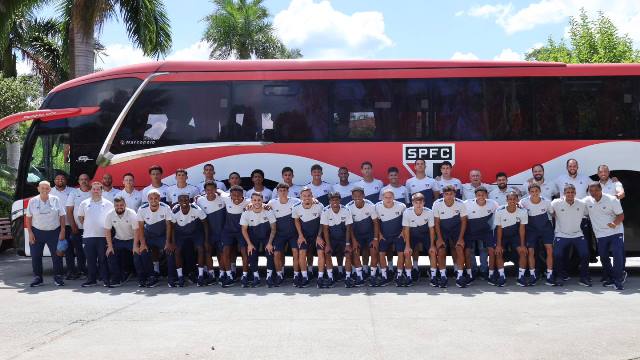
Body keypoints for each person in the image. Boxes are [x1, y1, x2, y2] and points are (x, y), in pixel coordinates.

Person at [584, 182, 625, 290]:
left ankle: (618, 280)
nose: (594, 193)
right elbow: (574, 202)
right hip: (600, 234)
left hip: (616, 231)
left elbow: (621, 215)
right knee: (603, 257)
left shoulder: (612, 199)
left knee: (617, 254)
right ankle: (611, 277)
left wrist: (614, 223)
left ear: (601, 189)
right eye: (591, 191)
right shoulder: (587, 201)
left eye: (596, 190)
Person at [25, 181, 66, 287]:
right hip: (37, 232)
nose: (44, 190)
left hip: (54, 232)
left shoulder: (55, 199)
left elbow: (62, 215)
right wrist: (30, 232)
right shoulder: (33, 201)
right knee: (36, 256)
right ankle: (38, 278)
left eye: (47, 188)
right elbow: (28, 217)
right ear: (38, 189)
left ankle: (58, 277)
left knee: (57, 256)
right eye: (42, 188)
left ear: (50, 189)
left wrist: (62, 231)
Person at [550, 184, 591, 286]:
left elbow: (589, 212)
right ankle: (560, 276)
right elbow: (550, 211)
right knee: (557, 255)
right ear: (563, 194)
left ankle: (584, 277)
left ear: (575, 193)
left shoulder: (581, 204)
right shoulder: (556, 203)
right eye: (568, 192)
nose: (570, 194)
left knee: (585, 254)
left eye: (572, 192)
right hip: (561, 234)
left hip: (577, 234)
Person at [77, 182, 114, 287]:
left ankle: (106, 279)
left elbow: (111, 219)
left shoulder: (108, 204)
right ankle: (91, 280)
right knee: (90, 259)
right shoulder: (84, 203)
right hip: (88, 236)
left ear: (102, 191)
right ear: (91, 190)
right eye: (94, 189)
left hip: (103, 236)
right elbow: (80, 217)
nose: (95, 191)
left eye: (98, 189)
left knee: (103, 259)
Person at [519, 183, 555, 286]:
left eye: (536, 191)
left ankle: (550, 274)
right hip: (531, 229)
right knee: (531, 251)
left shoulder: (547, 202)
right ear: (529, 192)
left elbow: (553, 214)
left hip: (545, 228)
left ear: (540, 191)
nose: (534, 193)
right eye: (532, 191)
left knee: (549, 250)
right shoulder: (523, 202)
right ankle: (532, 275)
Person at [136, 189, 173, 287]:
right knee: (143, 252)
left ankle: (172, 277)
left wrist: (168, 241)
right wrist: (143, 243)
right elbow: (140, 227)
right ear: (147, 199)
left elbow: (169, 225)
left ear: (159, 198)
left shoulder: (166, 207)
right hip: (149, 236)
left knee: (169, 251)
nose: (153, 200)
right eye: (151, 198)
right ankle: (152, 276)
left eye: (156, 198)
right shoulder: (142, 209)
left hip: (162, 236)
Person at [433, 185, 467, 288]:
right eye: (446, 194)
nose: (448, 196)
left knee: (459, 249)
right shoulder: (437, 204)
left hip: (457, 229)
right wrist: (439, 238)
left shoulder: (461, 204)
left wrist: (461, 238)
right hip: (442, 229)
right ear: (443, 195)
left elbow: (464, 221)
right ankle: (443, 276)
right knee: (441, 250)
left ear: (455, 194)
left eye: (451, 194)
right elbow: (437, 222)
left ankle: (459, 276)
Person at [170, 194, 208, 287]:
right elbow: (172, 227)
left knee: (201, 249)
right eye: (181, 200)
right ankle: (180, 277)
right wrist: (173, 242)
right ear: (178, 202)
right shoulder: (175, 212)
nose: (184, 201)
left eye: (186, 199)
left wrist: (206, 240)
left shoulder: (196, 209)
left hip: (195, 232)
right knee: (177, 251)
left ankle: (200, 276)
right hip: (181, 233)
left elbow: (205, 222)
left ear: (189, 201)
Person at [240, 192, 276, 288]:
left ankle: (269, 277)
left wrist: (269, 243)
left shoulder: (268, 209)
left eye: (259, 200)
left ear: (262, 200)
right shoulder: (246, 211)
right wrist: (249, 244)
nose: (257, 202)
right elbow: (243, 229)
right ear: (251, 201)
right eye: (254, 200)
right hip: (253, 235)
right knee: (251, 253)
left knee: (270, 252)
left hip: (266, 235)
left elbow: (273, 228)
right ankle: (256, 277)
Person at [492, 192, 528, 287]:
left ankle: (521, 277)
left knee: (522, 251)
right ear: (506, 200)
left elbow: (522, 229)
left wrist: (523, 245)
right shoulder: (499, 211)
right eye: (510, 199)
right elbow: (499, 229)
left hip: (515, 235)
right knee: (499, 252)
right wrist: (499, 245)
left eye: (514, 199)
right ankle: (501, 276)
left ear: (517, 200)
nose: (512, 201)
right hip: (502, 235)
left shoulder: (523, 211)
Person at [267, 183, 300, 286]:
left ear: (288, 191)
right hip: (279, 234)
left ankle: (296, 275)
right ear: (277, 192)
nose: (282, 192)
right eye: (280, 191)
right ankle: (279, 275)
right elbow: (262, 206)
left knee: (296, 252)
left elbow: (307, 202)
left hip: (293, 233)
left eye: (284, 190)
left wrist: (314, 200)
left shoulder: (296, 201)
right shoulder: (272, 203)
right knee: (276, 254)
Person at [464, 186, 499, 283]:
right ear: (475, 196)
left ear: (486, 195)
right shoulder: (467, 204)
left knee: (484, 250)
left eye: (483, 195)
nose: (481, 197)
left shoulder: (493, 204)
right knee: (470, 251)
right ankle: (473, 270)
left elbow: (499, 215)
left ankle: (485, 270)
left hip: (485, 232)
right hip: (470, 231)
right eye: (479, 195)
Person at [292, 187, 324, 288]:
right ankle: (305, 277)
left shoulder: (319, 206)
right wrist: (300, 235)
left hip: (317, 234)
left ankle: (320, 277)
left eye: (309, 195)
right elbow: (296, 221)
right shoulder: (296, 207)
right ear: (300, 197)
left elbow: (322, 222)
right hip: (304, 235)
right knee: (302, 252)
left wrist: (319, 236)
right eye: (304, 196)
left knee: (320, 253)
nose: (307, 197)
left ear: (312, 196)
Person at [196, 181, 227, 286]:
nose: (210, 192)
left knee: (221, 253)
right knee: (208, 253)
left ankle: (222, 275)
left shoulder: (223, 198)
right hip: (208, 233)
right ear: (204, 191)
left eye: (212, 189)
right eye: (207, 190)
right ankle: (211, 275)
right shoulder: (200, 200)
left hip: (221, 232)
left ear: (216, 189)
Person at [401, 193, 435, 287]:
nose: (418, 204)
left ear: (424, 203)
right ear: (412, 203)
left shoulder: (429, 212)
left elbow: (431, 229)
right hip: (412, 234)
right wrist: (407, 246)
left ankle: (434, 276)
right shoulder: (407, 212)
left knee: (432, 252)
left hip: (425, 234)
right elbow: (406, 229)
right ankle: (409, 276)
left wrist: (432, 245)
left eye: (421, 202)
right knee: (407, 252)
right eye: (416, 202)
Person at [320, 192, 353, 288]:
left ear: (340, 200)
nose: (335, 201)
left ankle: (347, 277)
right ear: (329, 201)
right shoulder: (325, 211)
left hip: (343, 237)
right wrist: (328, 245)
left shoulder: (346, 210)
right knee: (327, 253)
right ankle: (330, 278)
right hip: (331, 238)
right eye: (332, 200)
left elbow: (348, 228)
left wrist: (347, 243)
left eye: (337, 199)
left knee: (347, 254)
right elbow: (325, 229)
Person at [374, 188, 406, 287]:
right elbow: (377, 222)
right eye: (386, 197)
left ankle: (399, 276)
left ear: (394, 197)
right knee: (381, 253)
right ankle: (384, 276)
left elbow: (407, 220)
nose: (388, 199)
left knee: (401, 253)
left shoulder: (402, 206)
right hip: (384, 236)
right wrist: (379, 233)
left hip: (398, 235)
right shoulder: (377, 207)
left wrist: (403, 232)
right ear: (382, 198)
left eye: (390, 197)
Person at [104, 196, 138, 287]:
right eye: (117, 205)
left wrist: (135, 246)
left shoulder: (131, 213)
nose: (119, 207)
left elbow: (136, 231)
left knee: (139, 254)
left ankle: (143, 277)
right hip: (118, 240)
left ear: (125, 204)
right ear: (114, 206)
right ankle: (116, 279)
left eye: (121, 205)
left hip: (132, 240)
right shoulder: (110, 214)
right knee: (110, 253)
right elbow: (107, 230)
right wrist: (110, 246)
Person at [346, 187, 377, 286]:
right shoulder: (348, 207)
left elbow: (376, 223)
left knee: (373, 251)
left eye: (359, 195)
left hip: (369, 234)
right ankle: (359, 276)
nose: (357, 198)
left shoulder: (371, 205)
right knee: (355, 251)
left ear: (363, 196)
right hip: (356, 234)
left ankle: (372, 276)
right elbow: (349, 226)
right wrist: (354, 240)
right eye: (355, 196)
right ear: (352, 197)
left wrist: (375, 239)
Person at [219, 185, 249, 287]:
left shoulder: (248, 202)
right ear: (230, 195)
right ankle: (229, 276)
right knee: (225, 251)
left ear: (243, 195)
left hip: (241, 231)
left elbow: (260, 204)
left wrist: (266, 206)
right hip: (228, 231)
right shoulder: (225, 198)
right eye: (234, 195)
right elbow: (218, 191)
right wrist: (200, 196)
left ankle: (245, 276)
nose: (236, 197)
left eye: (238, 195)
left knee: (244, 252)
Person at [65, 173, 91, 279]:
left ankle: (92, 271)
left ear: (89, 180)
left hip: (91, 229)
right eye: (81, 179)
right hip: (78, 228)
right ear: (78, 181)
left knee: (91, 251)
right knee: (80, 251)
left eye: (85, 179)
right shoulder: (74, 193)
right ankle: (82, 271)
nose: (83, 181)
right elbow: (69, 211)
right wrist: (73, 226)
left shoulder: (93, 191)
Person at [49, 173, 73, 279]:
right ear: (54, 181)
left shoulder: (72, 191)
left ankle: (71, 271)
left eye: (62, 179)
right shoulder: (49, 192)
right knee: (57, 250)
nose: (60, 181)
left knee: (68, 250)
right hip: (55, 226)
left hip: (68, 225)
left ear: (66, 180)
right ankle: (58, 272)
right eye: (58, 179)